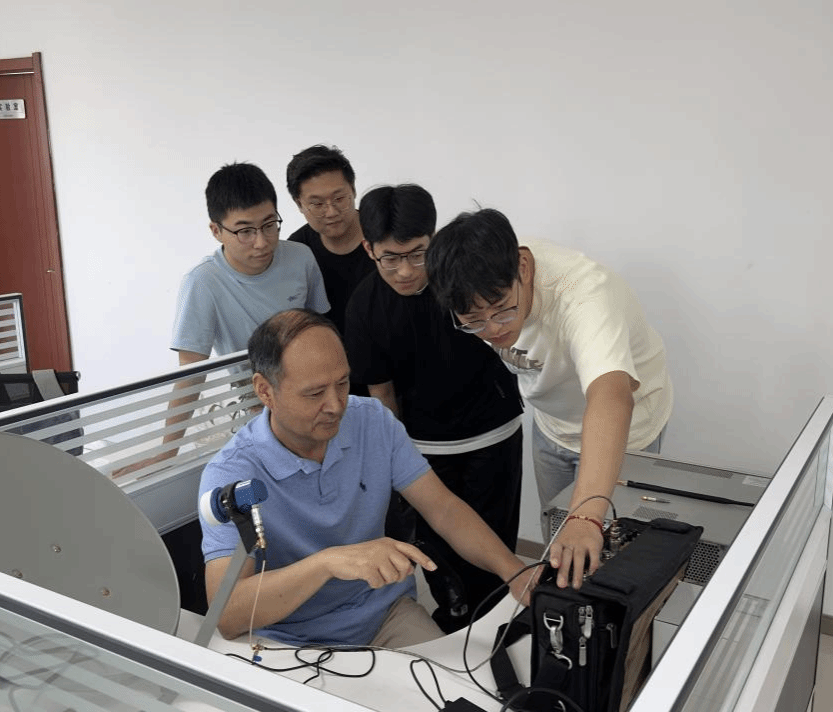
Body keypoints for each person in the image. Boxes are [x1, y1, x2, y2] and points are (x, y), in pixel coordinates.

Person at [198, 309, 532, 647]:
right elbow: (227, 614)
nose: (335, 405)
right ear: (265, 390)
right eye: (315, 393)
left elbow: (443, 509)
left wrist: (514, 571)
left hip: (384, 615)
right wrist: (327, 563)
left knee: (452, 679)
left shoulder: (372, 420)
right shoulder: (231, 476)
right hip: (286, 637)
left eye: (342, 383)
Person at [427, 209, 672, 590]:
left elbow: (611, 397)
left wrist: (586, 515)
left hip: (627, 434)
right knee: (560, 542)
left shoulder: (584, 295)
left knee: (616, 557)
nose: (493, 330)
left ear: (523, 268)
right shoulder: (475, 281)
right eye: (473, 321)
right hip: (552, 426)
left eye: (503, 310)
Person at [344, 185, 523, 633]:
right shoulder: (364, 306)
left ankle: (498, 628)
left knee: (495, 544)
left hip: (493, 434)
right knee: (442, 559)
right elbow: (382, 395)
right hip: (424, 450)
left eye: (417, 254)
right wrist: (395, 462)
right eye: (390, 258)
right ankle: (458, 628)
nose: (405, 270)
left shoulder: (463, 283)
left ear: (434, 238)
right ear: (368, 249)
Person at [117, 163, 328, 475]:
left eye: (270, 225)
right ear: (216, 231)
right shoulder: (203, 282)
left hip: (315, 399)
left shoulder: (301, 258)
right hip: (256, 410)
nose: (261, 241)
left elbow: (322, 337)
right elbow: (191, 375)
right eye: (245, 231)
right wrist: (166, 452)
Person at [285, 146, 373, 365]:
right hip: (329, 369)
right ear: (299, 204)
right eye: (317, 204)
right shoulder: (296, 251)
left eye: (339, 198)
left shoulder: (383, 234)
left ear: (353, 190)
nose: (331, 211)